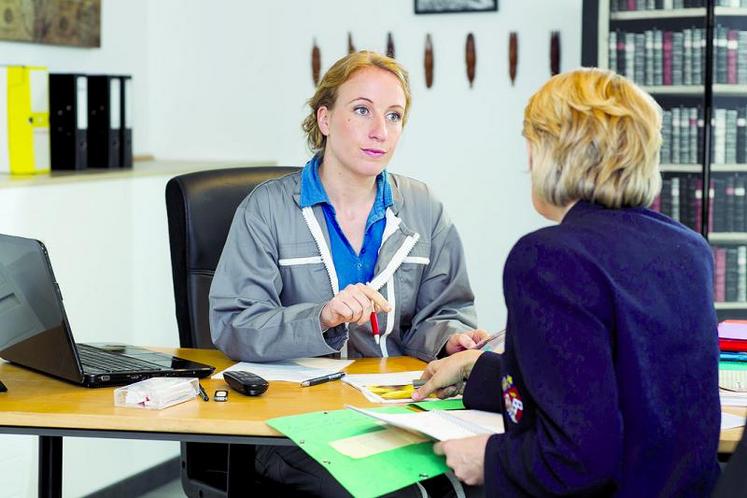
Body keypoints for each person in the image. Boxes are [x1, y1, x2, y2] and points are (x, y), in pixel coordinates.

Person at [413, 68, 721, 497]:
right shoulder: (688, 248)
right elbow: (626, 388)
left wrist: (487, 458)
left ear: (555, 151)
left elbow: (579, 457)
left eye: (530, 145)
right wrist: (478, 371)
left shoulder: (550, 258)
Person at [209, 50, 486, 496]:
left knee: (487, 477)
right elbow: (235, 325)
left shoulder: (424, 209)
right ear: (324, 118)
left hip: (399, 411)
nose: (380, 131)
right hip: (294, 422)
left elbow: (442, 313)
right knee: (398, 494)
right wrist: (320, 318)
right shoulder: (266, 210)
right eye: (362, 111)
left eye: (394, 116)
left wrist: (449, 338)